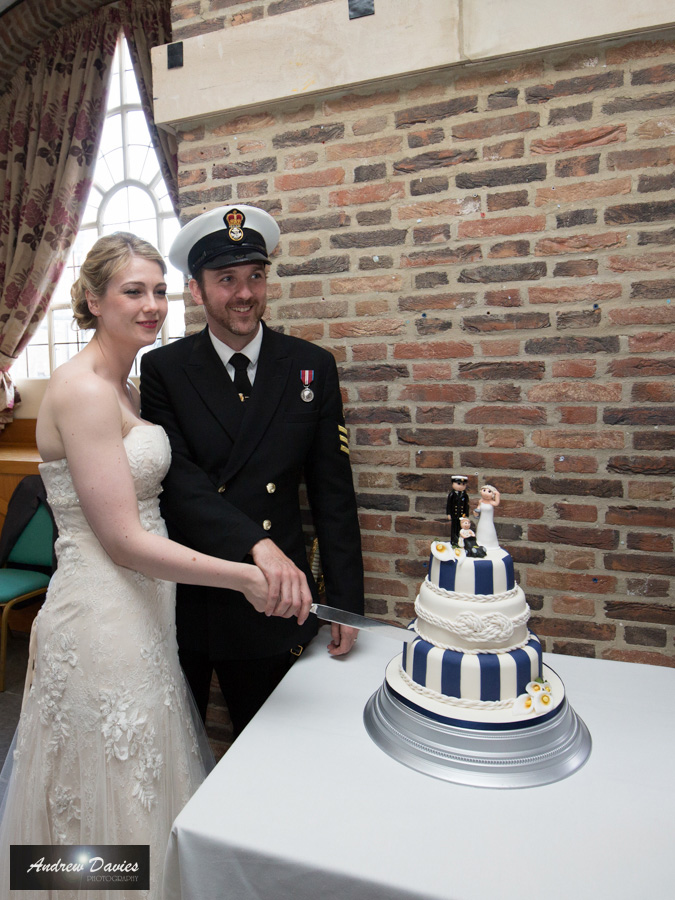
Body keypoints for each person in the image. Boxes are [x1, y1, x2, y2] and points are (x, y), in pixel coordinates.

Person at [0, 232, 304, 899]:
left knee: (137, 775)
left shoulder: (128, 385)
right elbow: (123, 541)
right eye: (132, 291)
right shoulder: (82, 390)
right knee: (102, 784)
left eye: (159, 291)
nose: (151, 305)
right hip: (100, 613)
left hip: (142, 608)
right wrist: (243, 575)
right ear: (92, 299)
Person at [140, 204, 365, 736]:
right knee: (184, 751)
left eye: (256, 276)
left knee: (277, 756)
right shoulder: (164, 369)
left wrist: (346, 606)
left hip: (276, 603)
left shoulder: (310, 365)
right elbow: (182, 484)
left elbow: (332, 494)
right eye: (226, 280)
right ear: (196, 291)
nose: (245, 294)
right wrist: (253, 546)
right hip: (193, 597)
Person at [474, 484, 501, 550]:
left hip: (488, 520)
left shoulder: (491, 502)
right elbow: (478, 508)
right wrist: (476, 512)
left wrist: (497, 495)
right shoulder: (481, 501)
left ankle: (490, 544)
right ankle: (480, 543)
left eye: (489, 491)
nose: (486, 493)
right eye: (484, 490)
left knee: (489, 531)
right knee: (481, 530)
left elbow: (497, 503)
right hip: (482, 520)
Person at [446, 474, 469, 545]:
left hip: (461, 515)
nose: (461, 486)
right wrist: (449, 513)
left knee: (460, 528)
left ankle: (460, 541)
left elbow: (466, 505)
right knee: (454, 528)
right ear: (453, 483)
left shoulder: (465, 495)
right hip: (454, 514)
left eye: (463, 484)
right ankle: (454, 541)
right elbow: (449, 505)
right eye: (458, 484)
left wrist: (466, 514)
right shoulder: (452, 494)